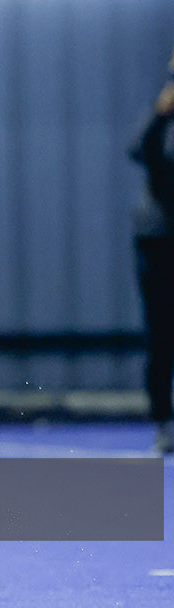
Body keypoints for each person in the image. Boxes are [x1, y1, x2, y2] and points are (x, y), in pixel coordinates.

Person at [131, 45, 174, 455]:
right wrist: (161, 114)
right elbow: (139, 151)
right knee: (161, 335)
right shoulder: (162, 117)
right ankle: (164, 421)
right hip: (160, 241)